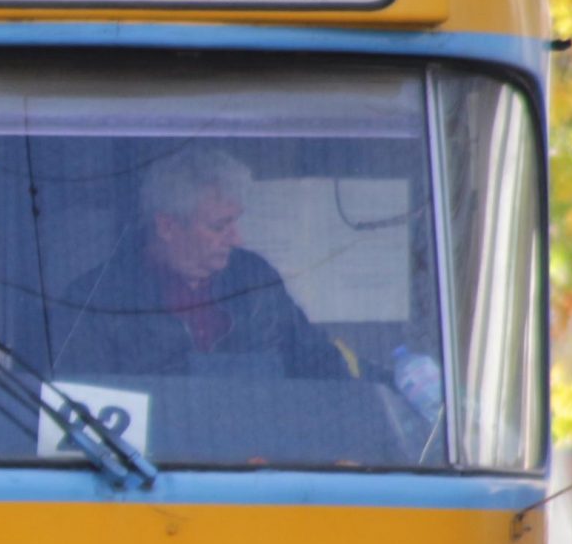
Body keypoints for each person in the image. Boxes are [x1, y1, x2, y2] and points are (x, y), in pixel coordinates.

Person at [50, 146, 349, 382]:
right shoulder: (93, 301)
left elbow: (322, 365)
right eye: (220, 227)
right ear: (167, 227)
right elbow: (85, 409)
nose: (237, 239)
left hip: (261, 448)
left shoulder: (255, 277)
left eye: (235, 223)